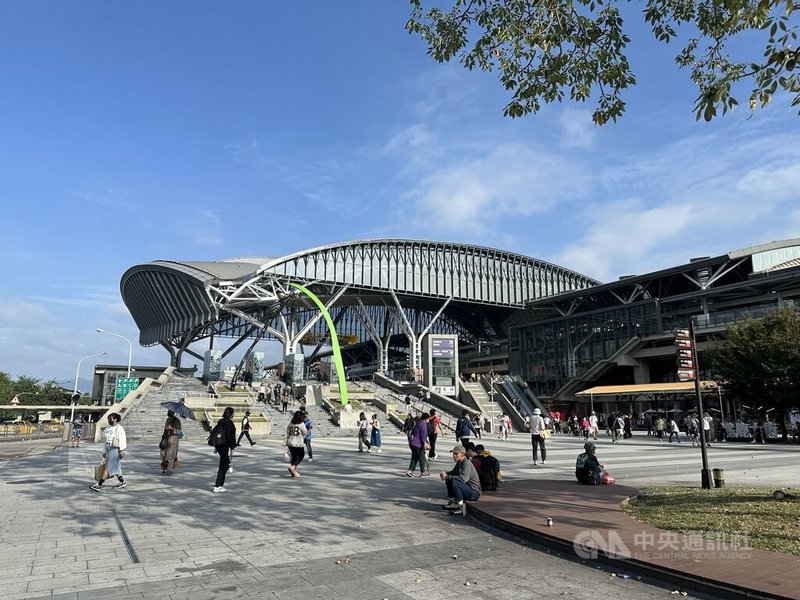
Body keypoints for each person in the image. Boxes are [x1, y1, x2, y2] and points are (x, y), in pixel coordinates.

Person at [89, 413, 127, 491]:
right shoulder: (109, 428)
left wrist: (122, 450)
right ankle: (122, 482)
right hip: (108, 448)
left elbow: (122, 440)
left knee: (107, 467)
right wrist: (104, 451)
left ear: (115, 419)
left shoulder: (119, 428)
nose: (109, 420)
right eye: (108, 418)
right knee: (115, 467)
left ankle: (99, 484)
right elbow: (106, 441)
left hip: (115, 449)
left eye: (110, 418)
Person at [440, 444, 482, 516]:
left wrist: (448, 476)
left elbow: (463, 479)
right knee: (449, 479)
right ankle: (453, 501)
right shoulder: (459, 462)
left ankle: (460, 507)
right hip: (467, 488)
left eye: (456, 454)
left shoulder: (466, 463)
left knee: (455, 482)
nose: (454, 456)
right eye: (453, 454)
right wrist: (445, 473)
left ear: (462, 454)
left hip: (474, 492)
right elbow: (453, 473)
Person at [210, 407, 236, 493]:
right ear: (231, 414)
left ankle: (219, 485)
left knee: (224, 464)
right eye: (233, 413)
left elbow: (216, 433)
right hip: (224, 445)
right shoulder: (229, 423)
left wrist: (216, 447)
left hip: (219, 445)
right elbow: (230, 436)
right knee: (223, 465)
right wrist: (232, 446)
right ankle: (218, 485)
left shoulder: (221, 422)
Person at [285, 410, 308, 477]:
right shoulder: (301, 424)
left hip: (290, 442)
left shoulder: (291, 423)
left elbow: (287, 432)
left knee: (294, 456)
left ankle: (294, 471)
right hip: (298, 442)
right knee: (301, 455)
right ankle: (293, 467)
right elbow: (304, 432)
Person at [406, 413, 430, 477]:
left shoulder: (418, 422)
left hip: (412, 442)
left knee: (415, 457)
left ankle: (410, 471)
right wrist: (425, 443)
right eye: (428, 419)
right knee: (421, 457)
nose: (428, 420)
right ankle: (423, 472)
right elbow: (423, 435)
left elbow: (413, 432)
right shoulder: (423, 424)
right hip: (418, 444)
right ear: (426, 418)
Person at [160, 409, 182, 475]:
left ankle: (170, 468)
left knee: (171, 455)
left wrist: (172, 428)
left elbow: (179, 431)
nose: (169, 413)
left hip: (174, 439)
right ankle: (164, 467)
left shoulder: (177, 421)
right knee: (164, 453)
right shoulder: (168, 419)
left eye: (170, 412)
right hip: (167, 438)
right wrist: (165, 431)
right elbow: (165, 428)